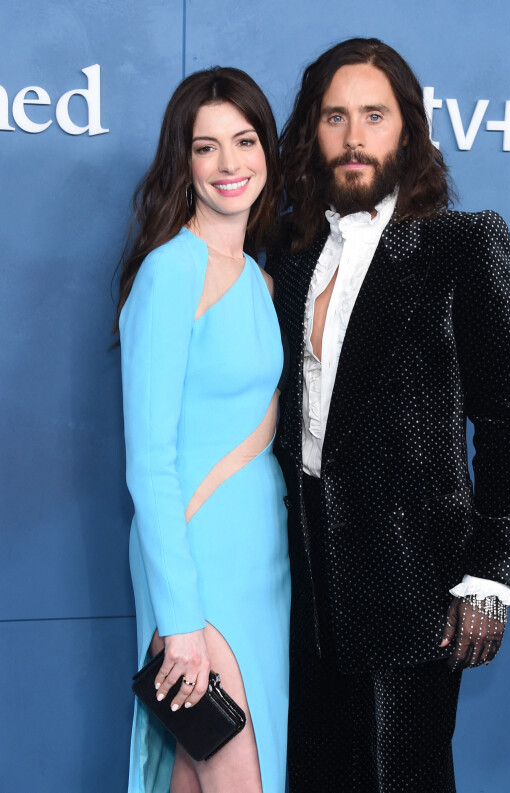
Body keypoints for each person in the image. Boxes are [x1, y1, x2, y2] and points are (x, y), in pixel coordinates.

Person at [268, 38, 510, 793]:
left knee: (403, 780)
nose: (355, 137)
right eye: (336, 117)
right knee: (315, 776)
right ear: (311, 132)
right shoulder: (287, 252)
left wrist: (493, 572)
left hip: (419, 580)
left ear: (407, 132)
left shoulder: (462, 242)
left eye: (375, 117)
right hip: (304, 581)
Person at [114, 67, 290, 793]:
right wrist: (179, 617)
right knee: (231, 769)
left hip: (263, 560)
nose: (229, 165)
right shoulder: (170, 272)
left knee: (202, 768)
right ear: (182, 163)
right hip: (197, 560)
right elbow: (149, 459)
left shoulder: (260, 278)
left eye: (244, 142)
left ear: (267, 152)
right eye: (206, 147)